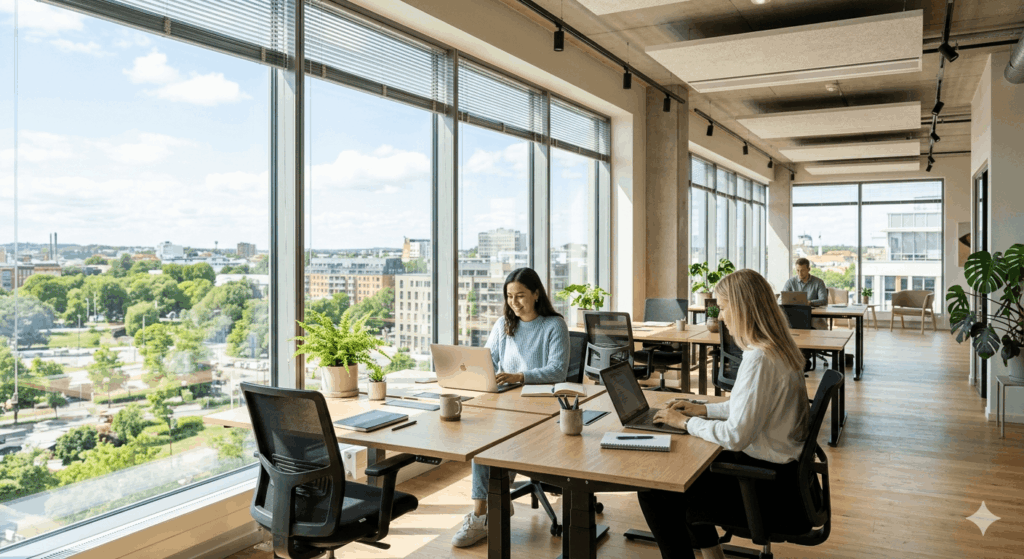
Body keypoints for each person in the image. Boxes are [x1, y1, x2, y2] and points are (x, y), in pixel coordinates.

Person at [639, 269, 811, 559]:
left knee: (656, 487)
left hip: (765, 488)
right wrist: (702, 410)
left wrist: (686, 422)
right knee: (684, 466)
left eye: (722, 306)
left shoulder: (759, 358)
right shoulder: (775, 349)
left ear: (742, 307)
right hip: (784, 477)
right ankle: (711, 554)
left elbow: (736, 435)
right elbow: (747, 407)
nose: (719, 316)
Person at [451, 267, 570, 548]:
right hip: (505, 401)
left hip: (540, 407)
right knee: (482, 441)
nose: (514, 302)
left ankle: (483, 514)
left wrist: (520, 376)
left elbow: (558, 370)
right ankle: (491, 507)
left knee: (492, 442)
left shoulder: (554, 325)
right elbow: (488, 359)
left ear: (536, 294)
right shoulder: (504, 325)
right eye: (509, 296)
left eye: (520, 296)